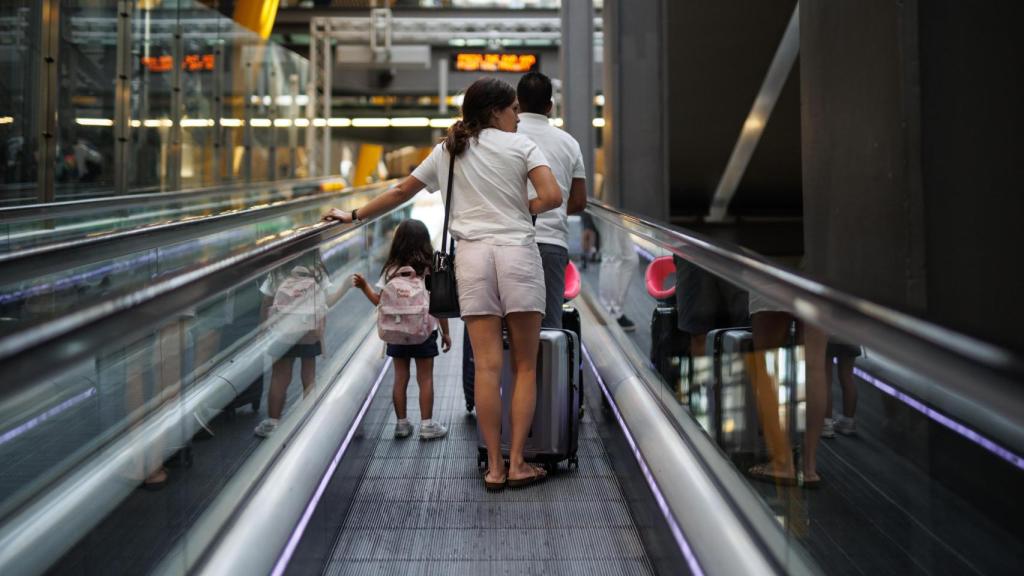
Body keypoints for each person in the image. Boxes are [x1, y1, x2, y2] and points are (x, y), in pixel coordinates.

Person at [324, 77, 562, 491]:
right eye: (512, 111)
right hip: (517, 254)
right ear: (495, 112)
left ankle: (493, 467)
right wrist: (522, 207)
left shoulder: (447, 152)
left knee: (486, 366)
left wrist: (354, 215)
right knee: (525, 364)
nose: (518, 117)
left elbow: (401, 190)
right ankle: (519, 461)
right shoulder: (523, 146)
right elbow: (553, 196)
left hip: (471, 259)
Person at [352, 219, 453, 440]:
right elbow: (438, 304)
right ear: (425, 241)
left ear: (398, 242)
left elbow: (379, 301)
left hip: (396, 333)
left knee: (400, 377)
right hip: (424, 332)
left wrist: (364, 286)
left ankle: (401, 423)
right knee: (425, 378)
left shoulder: (391, 270)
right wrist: (445, 332)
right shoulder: (429, 268)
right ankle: (427, 425)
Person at [515, 71, 588, 329]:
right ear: (550, 106)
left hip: (508, 244)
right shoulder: (569, 143)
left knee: (507, 330)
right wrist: (550, 208)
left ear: (517, 102)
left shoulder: (505, 138)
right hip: (552, 244)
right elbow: (579, 201)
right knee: (548, 328)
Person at [254, 250, 342, 438]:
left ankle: (273, 422)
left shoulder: (276, 273)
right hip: (308, 331)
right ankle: (310, 418)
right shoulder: (317, 271)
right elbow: (326, 300)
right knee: (308, 375)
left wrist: (263, 330)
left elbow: (266, 302)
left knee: (279, 377)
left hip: (282, 333)